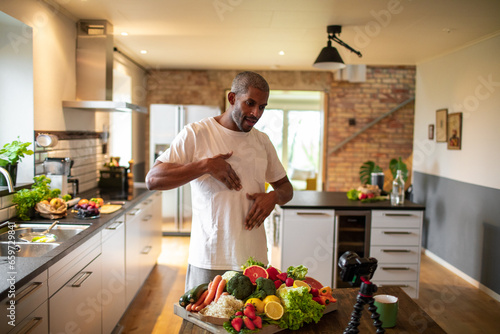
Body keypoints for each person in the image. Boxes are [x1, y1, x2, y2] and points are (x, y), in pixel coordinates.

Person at [146, 71, 293, 291]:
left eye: (262, 107)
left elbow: (286, 189)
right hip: (209, 258)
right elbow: (153, 179)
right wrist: (204, 166)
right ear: (232, 98)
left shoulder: (262, 142)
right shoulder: (197, 134)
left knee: (251, 323)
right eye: (250, 103)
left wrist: (273, 197)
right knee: (201, 323)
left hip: (253, 261)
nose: (256, 113)